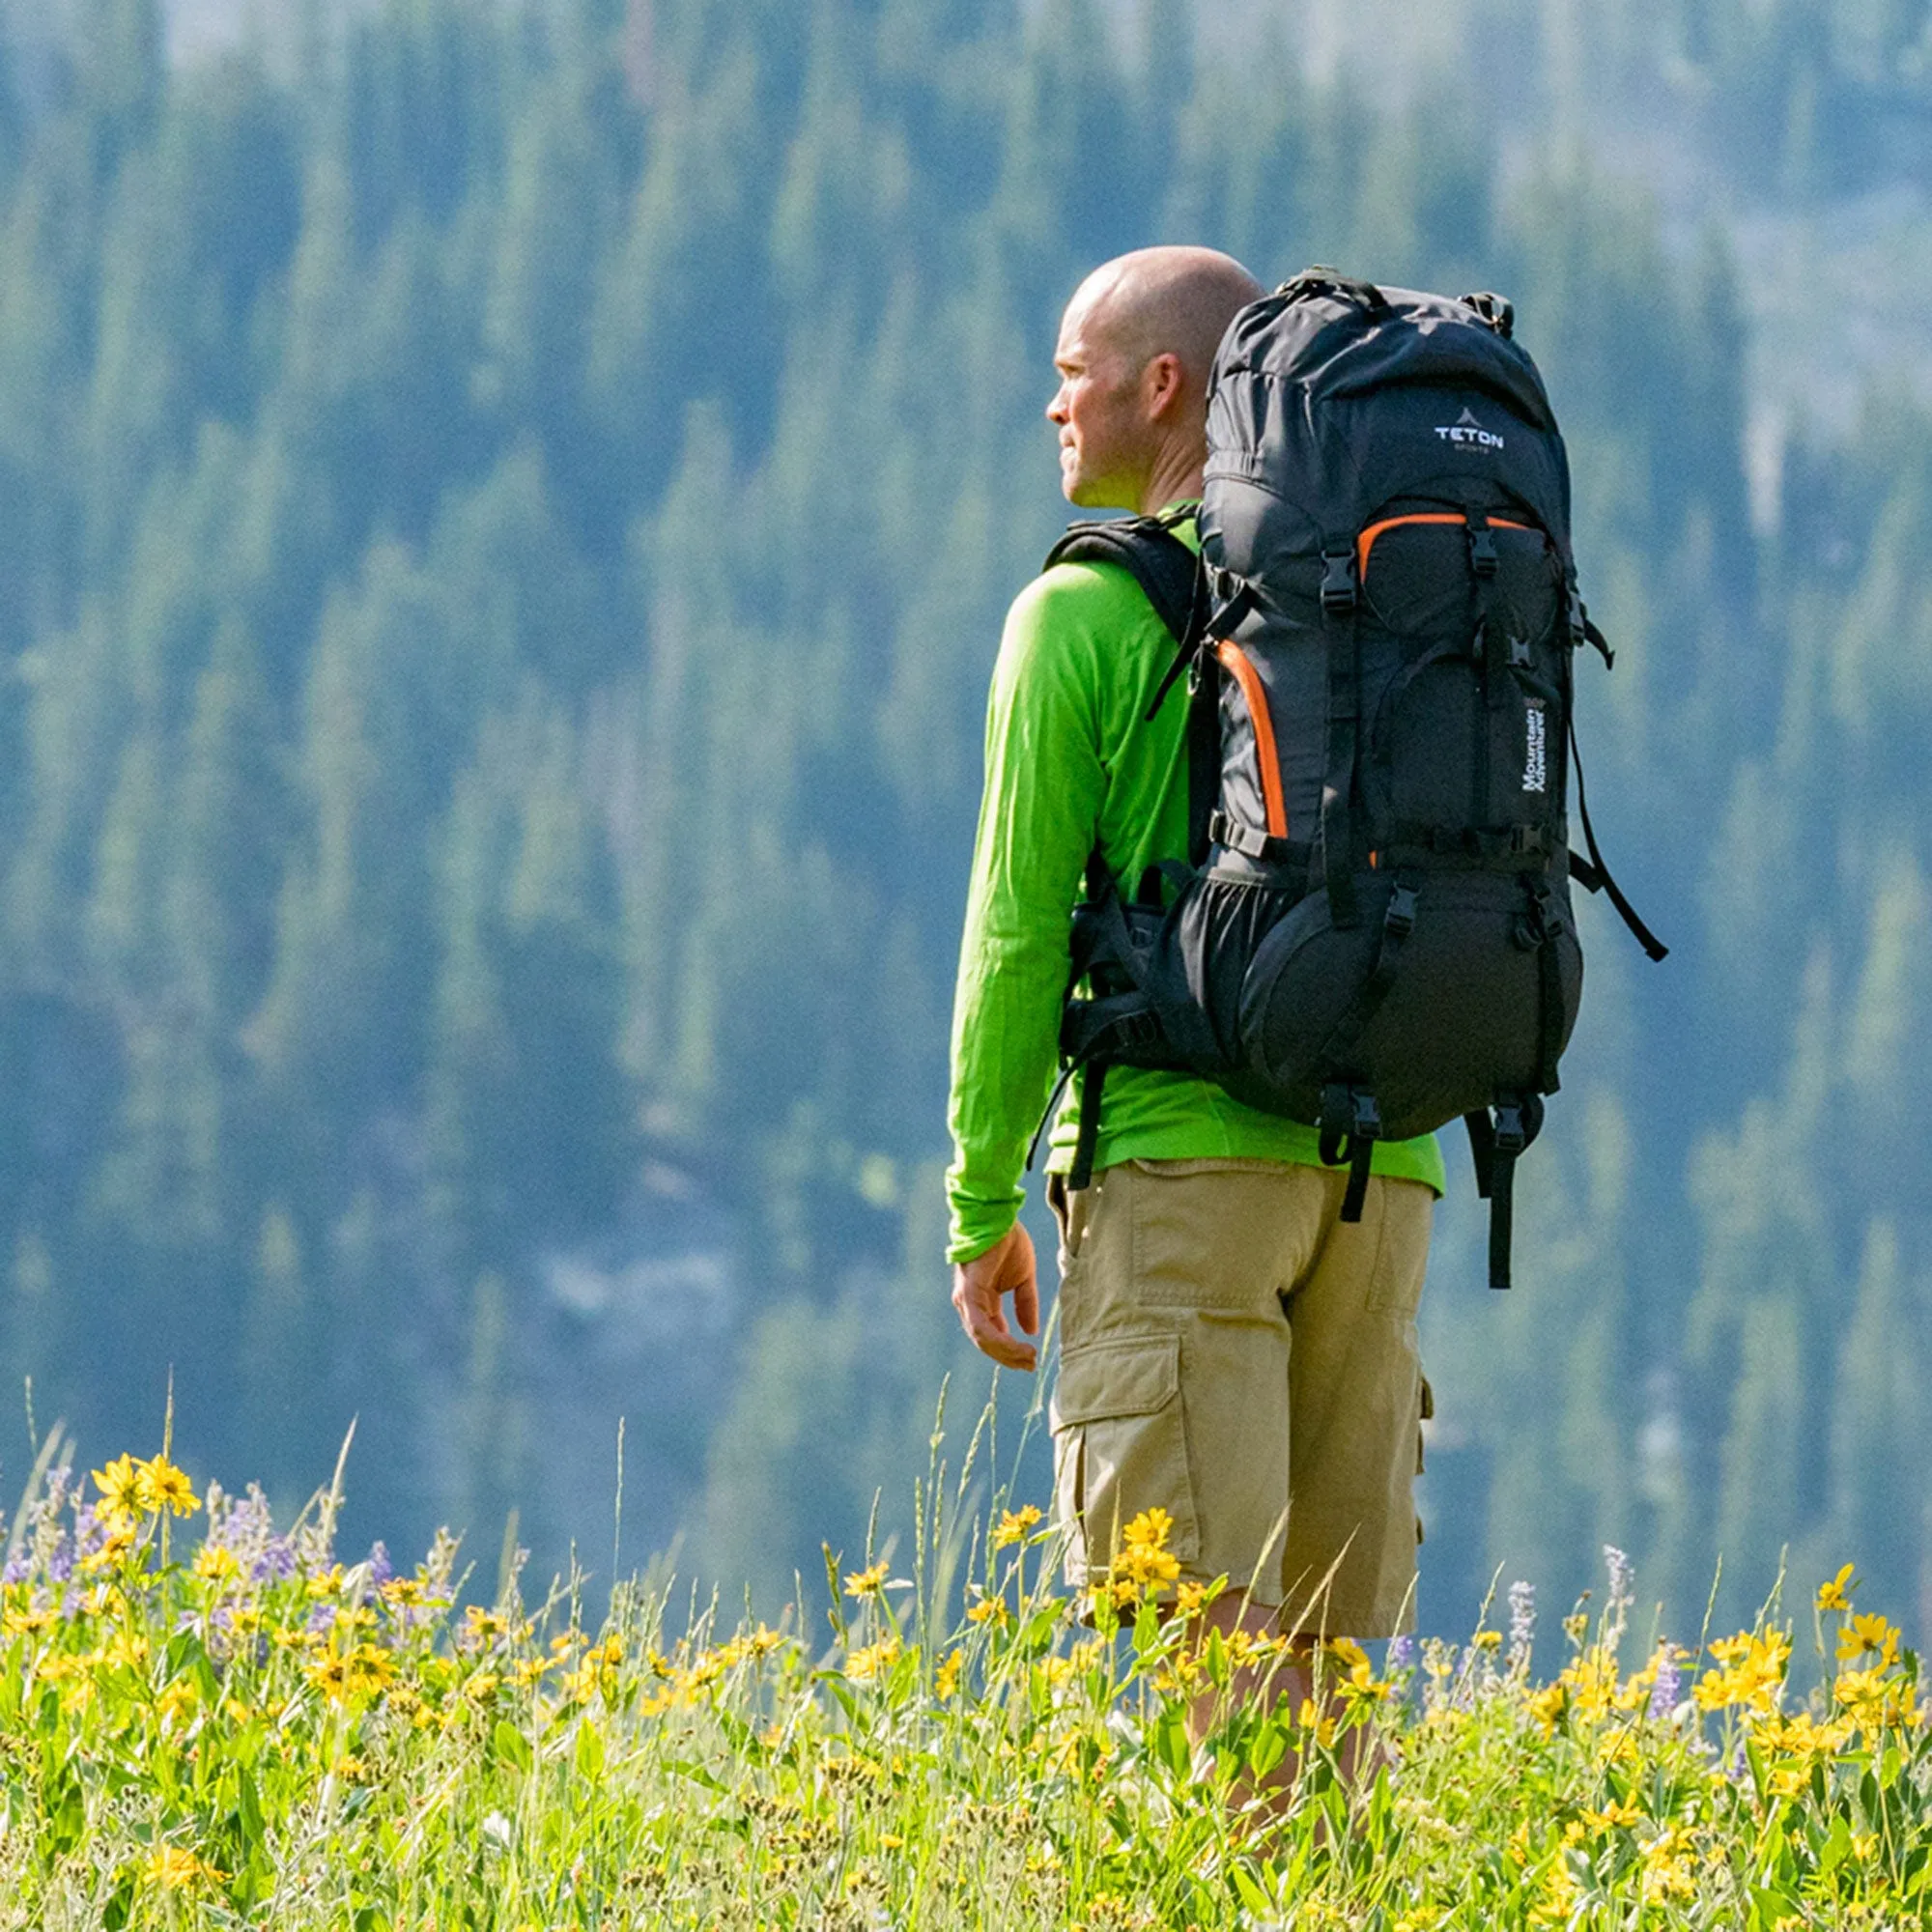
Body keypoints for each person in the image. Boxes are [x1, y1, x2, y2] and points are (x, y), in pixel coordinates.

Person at [944, 245, 1447, 1747]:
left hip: (1180, 1169)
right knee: (1328, 1665)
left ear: (1164, 385)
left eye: (1070, 371)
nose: (1051, 405)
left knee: (1208, 1644)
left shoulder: (1081, 619)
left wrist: (980, 1206)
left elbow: (1018, 933)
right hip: (1387, 1167)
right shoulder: (1368, 596)